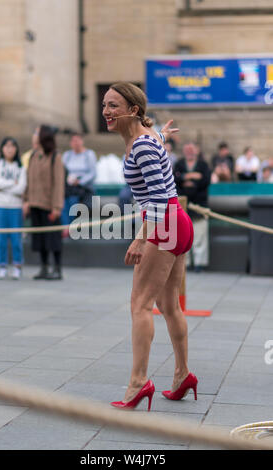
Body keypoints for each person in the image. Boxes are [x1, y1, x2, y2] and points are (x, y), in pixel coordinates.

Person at [102, 82, 198, 411]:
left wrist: (141, 238)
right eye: (104, 105)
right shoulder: (148, 136)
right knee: (169, 306)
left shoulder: (141, 143)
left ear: (133, 110)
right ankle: (183, 374)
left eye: (114, 105)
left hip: (163, 222)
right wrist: (162, 135)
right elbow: (155, 148)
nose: (106, 112)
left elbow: (157, 197)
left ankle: (138, 383)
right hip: (179, 222)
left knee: (140, 306)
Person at [23, 125, 65, 280]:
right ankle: (44, 267)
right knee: (39, 238)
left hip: (49, 205)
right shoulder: (33, 155)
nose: (34, 135)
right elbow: (29, 180)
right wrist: (26, 200)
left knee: (53, 238)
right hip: (35, 203)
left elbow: (58, 183)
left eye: (36, 132)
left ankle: (57, 268)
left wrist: (56, 207)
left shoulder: (55, 156)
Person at [0, 137, 26, 280]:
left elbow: (21, 187)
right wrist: (12, 183)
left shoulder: (21, 167)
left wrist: (4, 187)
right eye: (6, 146)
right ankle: (2, 266)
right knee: (1, 238)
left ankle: (17, 265)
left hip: (15, 206)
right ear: (2, 148)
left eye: (12, 146)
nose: (9, 149)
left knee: (16, 238)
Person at [174, 143, 211, 273]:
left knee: (199, 235)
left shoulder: (203, 165)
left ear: (196, 151)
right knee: (184, 235)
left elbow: (205, 180)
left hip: (199, 204)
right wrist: (189, 176)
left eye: (192, 150)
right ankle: (186, 262)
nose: (189, 152)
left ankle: (199, 263)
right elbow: (175, 179)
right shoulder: (179, 164)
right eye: (187, 150)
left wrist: (189, 183)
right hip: (183, 204)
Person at [61, 132, 97, 238]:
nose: (76, 143)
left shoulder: (89, 154)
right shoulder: (67, 155)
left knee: (73, 201)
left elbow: (92, 173)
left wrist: (80, 181)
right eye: (73, 141)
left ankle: (70, 228)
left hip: (83, 188)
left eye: (78, 140)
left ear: (82, 141)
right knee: (62, 201)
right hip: (68, 186)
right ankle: (64, 227)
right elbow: (62, 171)